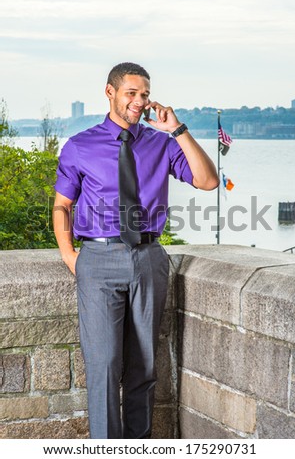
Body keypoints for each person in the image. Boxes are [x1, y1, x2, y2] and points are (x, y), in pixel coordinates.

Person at [53, 62, 219, 439]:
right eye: (131, 93)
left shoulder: (162, 143)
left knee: (144, 365)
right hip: (98, 259)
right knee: (105, 364)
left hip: (148, 258)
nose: (139, 101)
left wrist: (177, 130)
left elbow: (208, 181)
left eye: (144, 94)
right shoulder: (81, 146)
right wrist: (69, 256)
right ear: (110, 92)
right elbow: (62, 206)